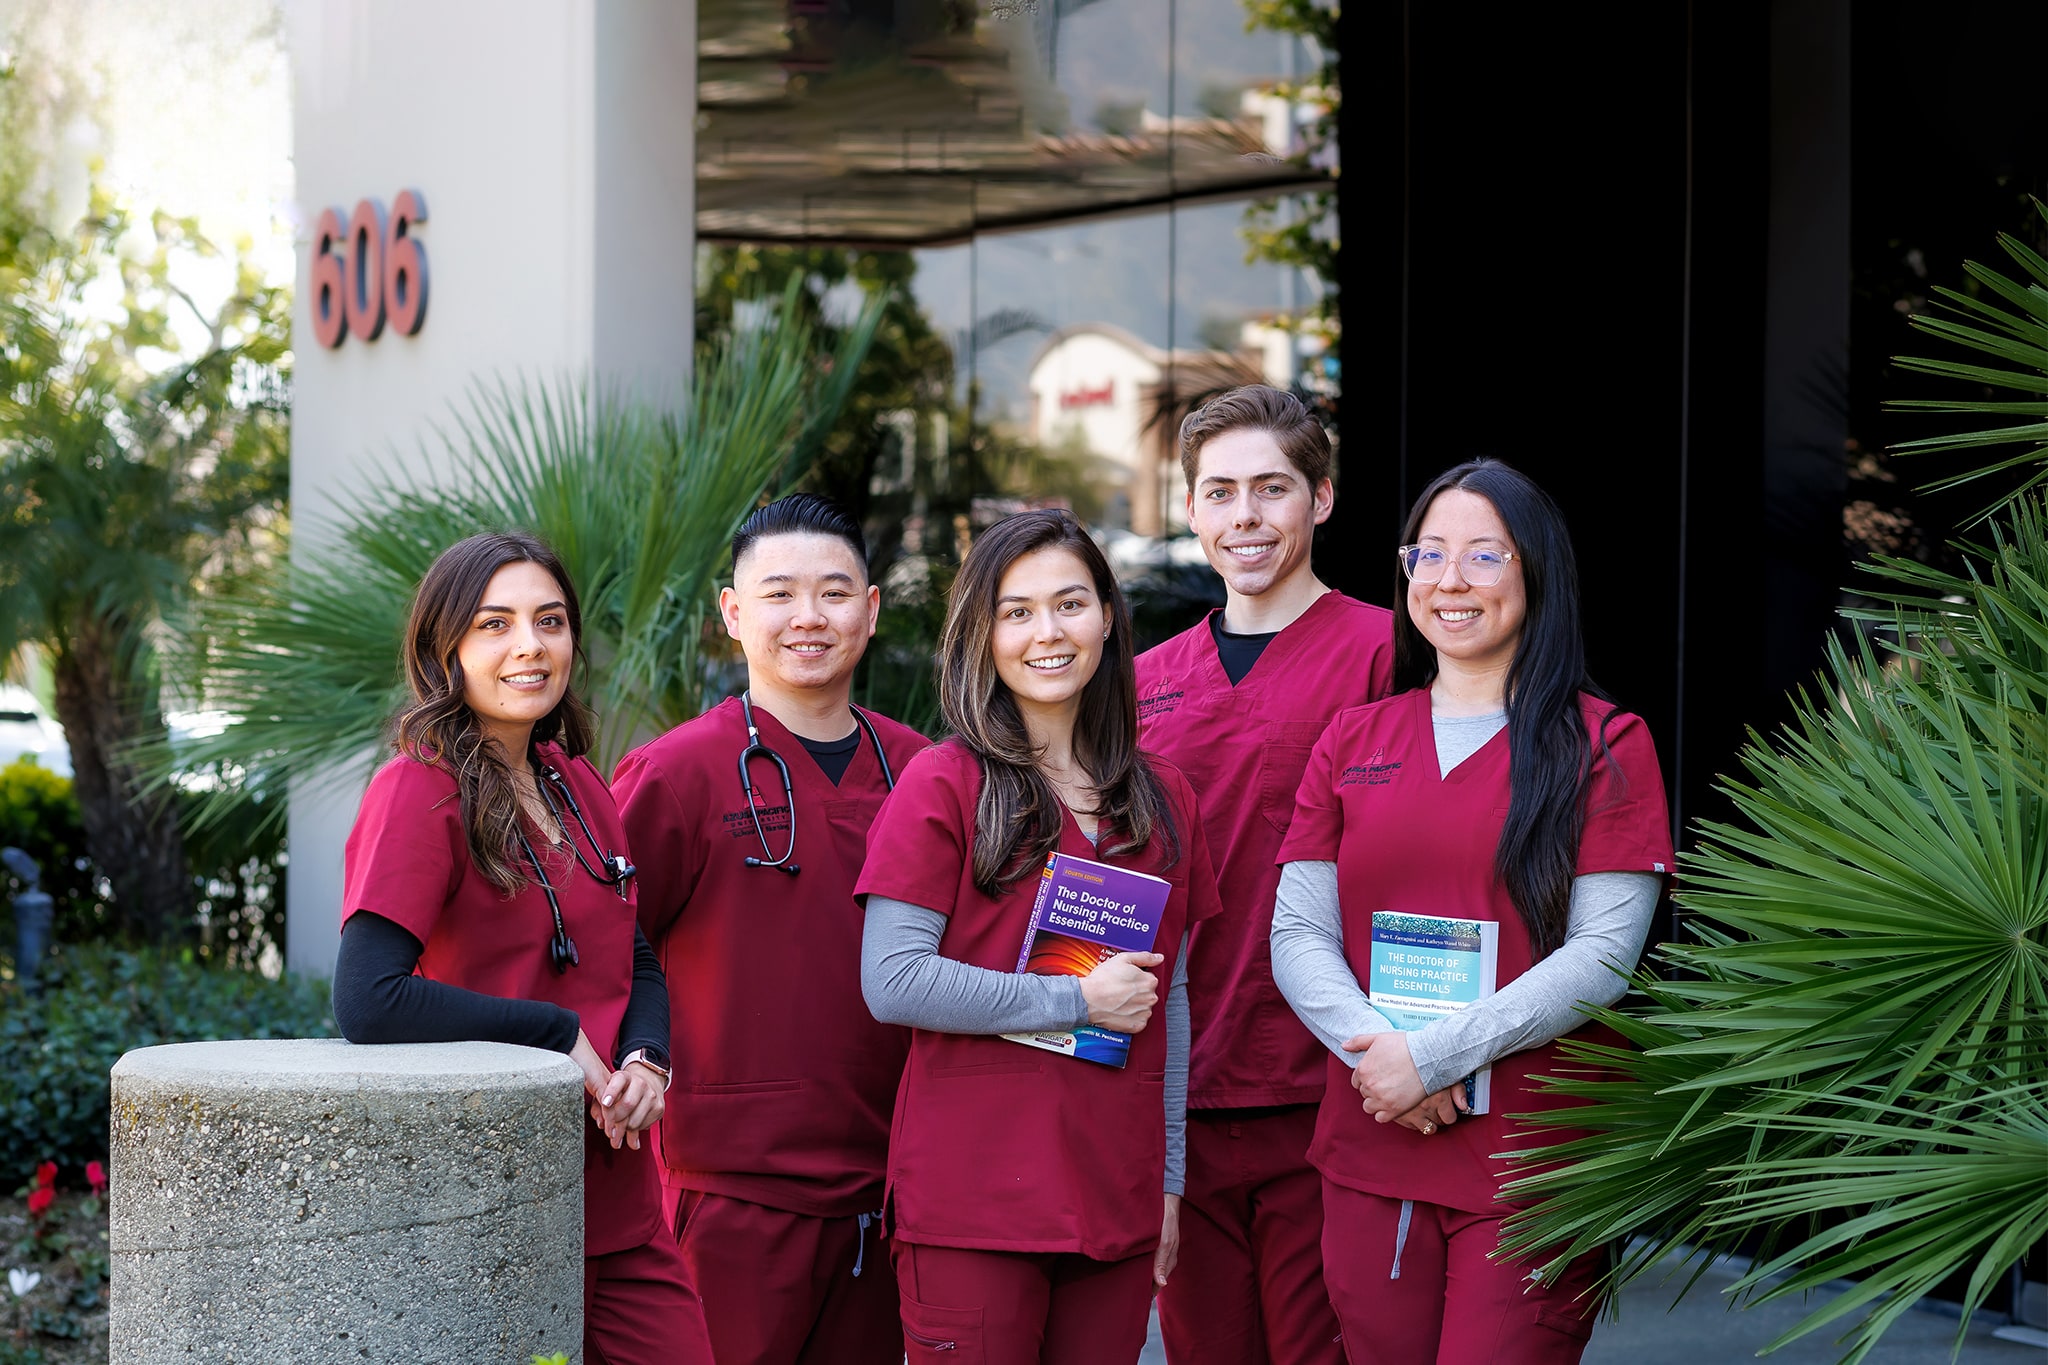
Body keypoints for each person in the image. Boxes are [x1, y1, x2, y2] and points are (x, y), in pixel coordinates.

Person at [1271, 459, 1672, 1364]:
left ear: (1536, 572)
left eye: (1483, 555)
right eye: (1429, 553)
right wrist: (1385, 1057)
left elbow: (1604, 955)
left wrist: (1431, 1054)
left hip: (1531, 1156)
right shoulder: (1353, 737)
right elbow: (1298, 930)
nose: (1449, 580)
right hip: (1376, 1138)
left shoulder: (1605, 743)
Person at [332, 531, 712, 1365]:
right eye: (494, 624)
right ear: (448, 648)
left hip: (619, 1194)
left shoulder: (576, 782)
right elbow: (367, 998)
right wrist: (551, 1032)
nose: (529, 646)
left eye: (550, 620)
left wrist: (647, 1058)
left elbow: (633, 954)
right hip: (490, 1199)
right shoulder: (418, 789)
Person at [856, 508, 1225, 1365]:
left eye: (1069, 604)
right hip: (974, 1203)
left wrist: (1167, 1181)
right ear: (982, 635)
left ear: (1106, 618)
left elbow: (1166, 1002)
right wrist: (1075, 999)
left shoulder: (1162, 795)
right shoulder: (944, 783)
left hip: (1115, 1198)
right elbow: (893, 979)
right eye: (1016, 611)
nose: (1046, 632)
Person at [610, 494, 928, 1365]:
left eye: (833, 592)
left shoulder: (922, 771)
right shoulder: (677, 774)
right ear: (733, 612)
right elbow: (604, 951)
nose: (808, 617)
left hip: (889, 1197)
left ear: (870, 610)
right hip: (729, 1198)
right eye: (780, 592)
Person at [1136, 384, 1393, 1365]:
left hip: (1326, 1080)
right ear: (1191, 509)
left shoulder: (1386, 653)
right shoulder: (1141, 681)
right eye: (1218, 492)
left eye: (1270, 489)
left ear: (1319, 499)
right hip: (1176, 1096)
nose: (1243, 516)